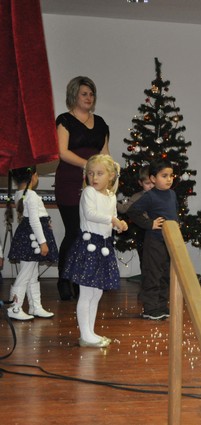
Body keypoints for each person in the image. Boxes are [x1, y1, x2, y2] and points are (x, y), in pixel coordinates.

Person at [63, 155, 128, 347]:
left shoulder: (111, 196)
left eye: (99, 173)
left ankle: (90, 332)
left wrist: (119, 224)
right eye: (91, 173)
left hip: (104, 247)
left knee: (97, 293)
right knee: (86, 293)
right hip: (89, 246)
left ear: (111, 176)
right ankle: (85, 335)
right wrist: (112, 220)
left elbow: (112, 216)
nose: (94, 177)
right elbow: (91, 214)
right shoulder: (89, 192)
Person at [55, 76, 110, 301]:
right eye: (84, 94)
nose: (89, 98)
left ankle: (81, 279)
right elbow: (62, 152)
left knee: (89, 233)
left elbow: (105, 154)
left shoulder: (101, 123)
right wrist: (88, 166)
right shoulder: (64, 120)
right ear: (74, 96)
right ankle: (63, 279)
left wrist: (107, 175)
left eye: (91, 94)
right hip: (70, 181)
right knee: (74, 231)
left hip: (95, 184)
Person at [127, 159, 178, 320]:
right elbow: (133, 211)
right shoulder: (150, 196)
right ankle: (150, 308)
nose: (169, 179)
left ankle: (161, 306)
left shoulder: (172, 194)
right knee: (153, 274)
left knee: (165, 275)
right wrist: (150, 223)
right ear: (153, 178)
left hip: (169, 242)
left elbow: (174, 214)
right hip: (155, 241)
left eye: (171, 175)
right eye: (164, 176)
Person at [7, 166, 59, 320]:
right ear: (33, 176)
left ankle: (35, 306)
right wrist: (43, 242)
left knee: (32, 273)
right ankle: (14, 307)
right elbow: (35, 221)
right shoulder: (32, 195)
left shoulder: (19, 194)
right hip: (33, 239)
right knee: (25, 273)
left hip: (27, 236)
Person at [117, 166, 153, 265]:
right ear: (140, 183)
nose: (151, 186)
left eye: (153, 183)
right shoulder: (137, 196)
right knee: (144, 258)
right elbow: (124, 209)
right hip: (143, 231)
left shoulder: (160, 195)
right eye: (147, 183)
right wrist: (112, 201)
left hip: (157, 232)